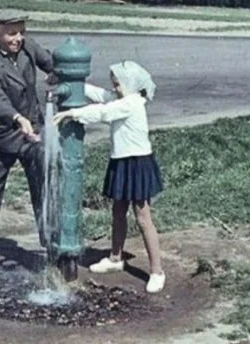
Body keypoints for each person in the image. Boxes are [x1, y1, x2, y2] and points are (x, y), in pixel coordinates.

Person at [52, 60, 166, 293]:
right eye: (113, 84)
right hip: (121, 161)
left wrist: (72, 113)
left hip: (137, 162)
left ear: (131, 84)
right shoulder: (122, 98)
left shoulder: (131, 103)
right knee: (118, 211)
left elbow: (104, 112)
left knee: (143, 217)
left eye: (117, 84)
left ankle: (157, 271)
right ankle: (115, 258)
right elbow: (99, 95)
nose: (113, 88)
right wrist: (71, 82)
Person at [0, 9, 54, 268]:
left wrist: (56, 74)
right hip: (1, 137)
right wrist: (17, 118)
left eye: (21, 32)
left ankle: (51, 244)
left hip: (32, 132)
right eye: (11, 33)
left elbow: (51, 63)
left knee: (43, 186)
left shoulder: (28, 47)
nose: (18, 38)